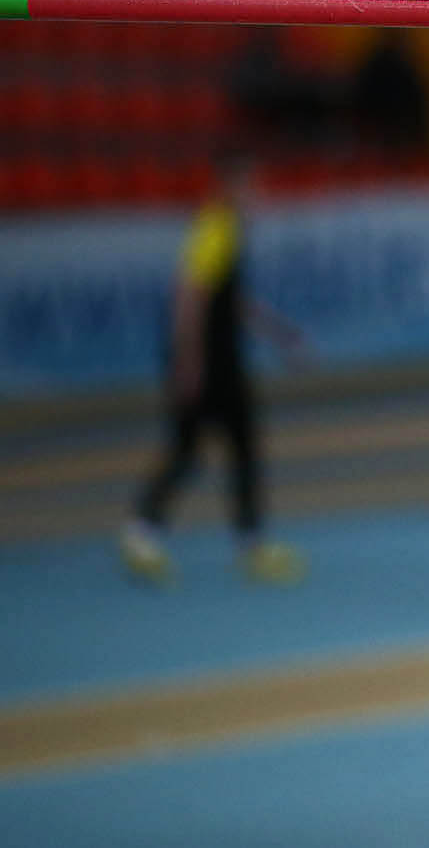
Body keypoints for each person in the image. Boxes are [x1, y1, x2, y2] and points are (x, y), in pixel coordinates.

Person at [120, 159, 307, 586]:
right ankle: (147, 533)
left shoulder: (229, 231)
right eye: (252, 187)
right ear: (231, 186)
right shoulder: (216, 228)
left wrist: (279, 334)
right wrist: (189, 363)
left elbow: (230, 300)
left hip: (220, 360)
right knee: (196, 449)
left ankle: (245, 542)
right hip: (208, 362)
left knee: (236, 447)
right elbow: (189, 295)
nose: (258, 196)